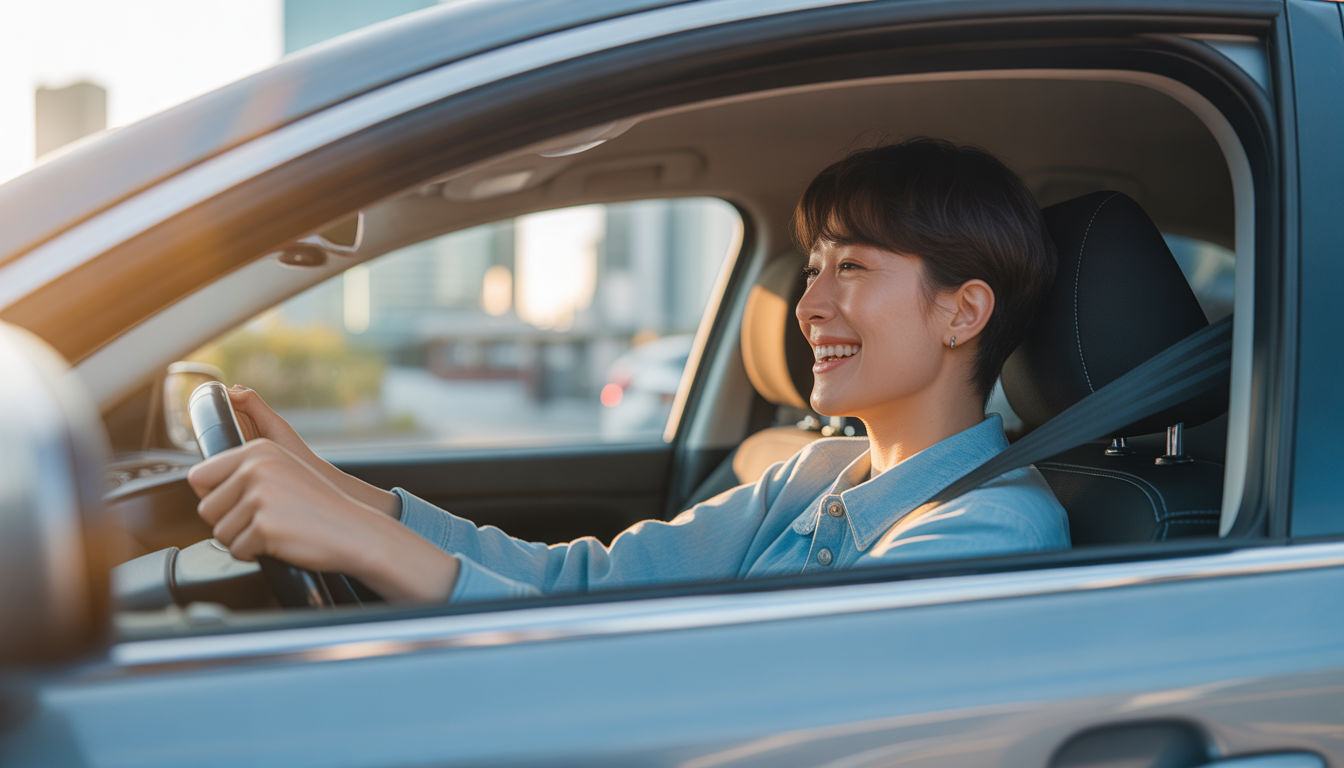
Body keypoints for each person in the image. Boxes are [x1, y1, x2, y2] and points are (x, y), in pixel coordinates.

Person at [187, 138, 1071, 604]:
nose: (809, 307)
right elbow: (588, 585)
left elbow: (727, 699)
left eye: (853, 267)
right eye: (812, 269)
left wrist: (367, 547)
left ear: (964, 311)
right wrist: (342, 495)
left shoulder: (993, 533)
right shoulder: (816, 472)